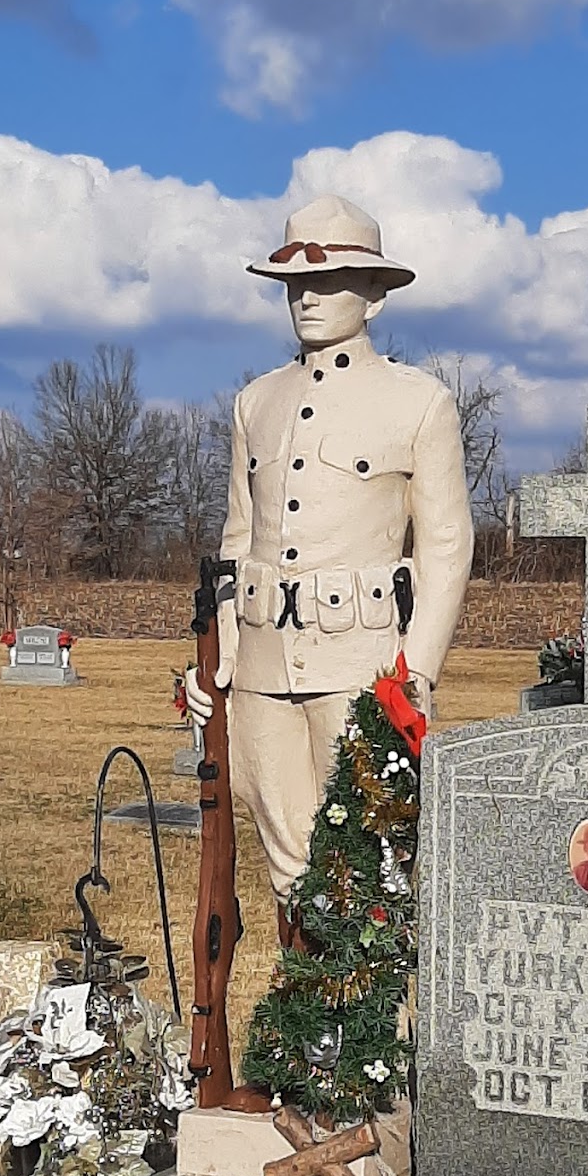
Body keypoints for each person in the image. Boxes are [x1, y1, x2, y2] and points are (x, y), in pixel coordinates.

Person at [186, 195, 474, 912]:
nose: (306, 298)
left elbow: (445, 544)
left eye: (328, 280)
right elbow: (236, 539)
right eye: (294, 284)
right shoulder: (256, 402)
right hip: (258, 668)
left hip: (362, 664)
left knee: (367, 870)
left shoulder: (418, 402)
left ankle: (368, 1025)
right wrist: (219, 657)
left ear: (375, 294)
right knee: (288, 870)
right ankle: (305, 1021)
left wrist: (419, 671)